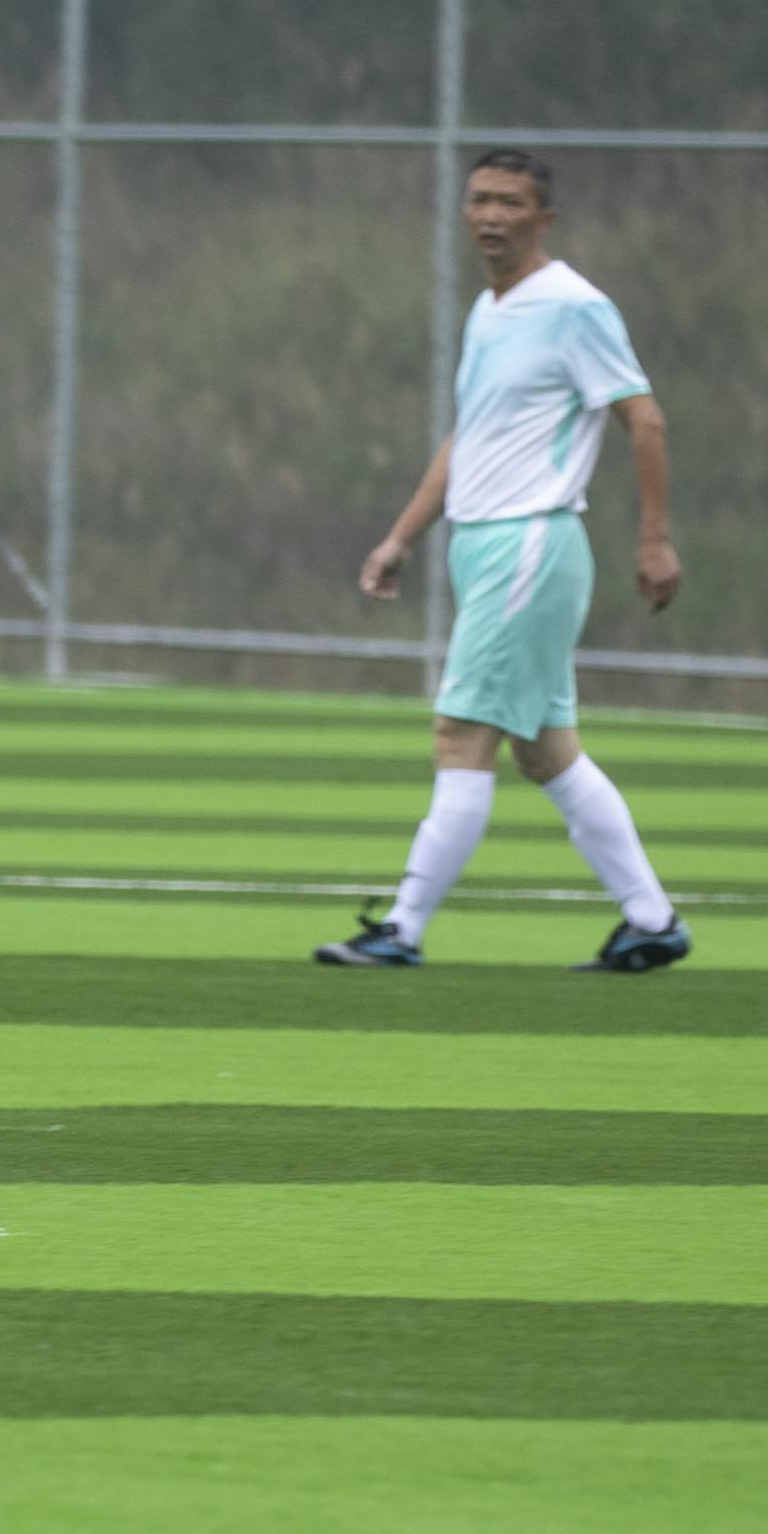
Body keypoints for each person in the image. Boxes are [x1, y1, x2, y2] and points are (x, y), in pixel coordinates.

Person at [320, 148, 693, 970]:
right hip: (485, 545)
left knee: (459, 735)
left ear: (543, 219)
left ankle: (402, 928)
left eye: (510, 202)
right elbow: (470, 437)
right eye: (479, 199)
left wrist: (653, 537)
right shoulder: (489, 311)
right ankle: (650, 919)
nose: (490, 215)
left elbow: (644, 419)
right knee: (544, 751)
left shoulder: (574, 306)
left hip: (529, 542)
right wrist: (401, 536)